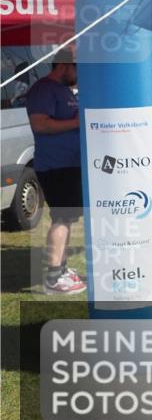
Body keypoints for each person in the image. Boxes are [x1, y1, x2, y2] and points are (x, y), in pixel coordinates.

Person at [25, 51, 86, 295]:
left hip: (69, 165)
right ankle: (53, 277)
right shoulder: (43, 90)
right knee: (61, 218)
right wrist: (76, 123)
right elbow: (39, 124)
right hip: (55, 166)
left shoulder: (63, 90)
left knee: (67, 217)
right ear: (63, 65)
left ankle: (60, 268)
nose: (79, 74)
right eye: (77, 68)